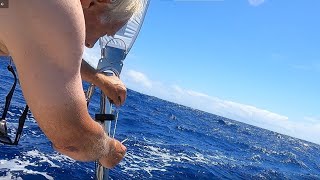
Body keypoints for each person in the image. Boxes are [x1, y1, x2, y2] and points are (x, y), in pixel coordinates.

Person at [0, 0, 143, 168]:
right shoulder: (60, 8)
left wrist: (99, 78)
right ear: (94, 2)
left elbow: (48, 47)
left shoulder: (38, 10)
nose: (90, 44)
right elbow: (71, 138)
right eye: (103, 32)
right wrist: (109, 150)